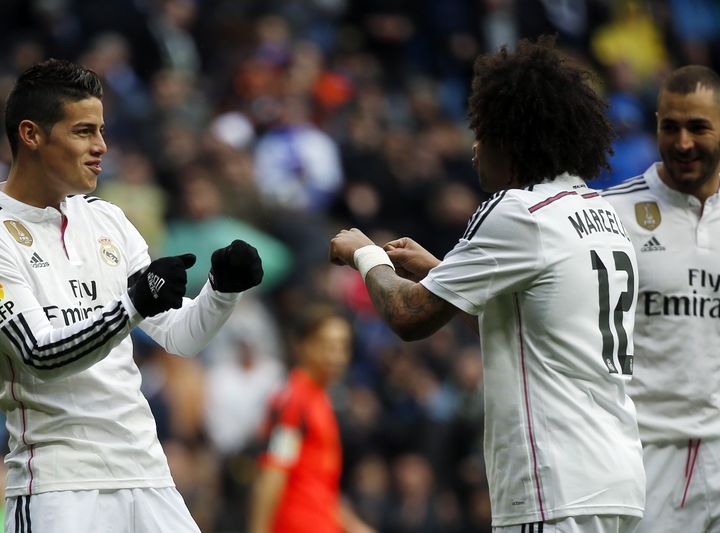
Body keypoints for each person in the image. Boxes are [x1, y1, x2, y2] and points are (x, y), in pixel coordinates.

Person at [329, 36, 645, 532]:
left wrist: (364, 253)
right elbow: (527, 326)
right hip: (618, 479)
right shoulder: (603, 215)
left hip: (552, 481)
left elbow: (408, 317)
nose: (474, 149)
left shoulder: (517, 211)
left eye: (482, 132)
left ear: (512, 139)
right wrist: (440, 272)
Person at [0, 59, 263, 533]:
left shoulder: (107, 219)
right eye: (83, 132)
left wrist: (221, 291)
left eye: (102, 131)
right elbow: (39, 353)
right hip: (58, 486)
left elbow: (178, 336)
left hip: (148, 474)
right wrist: (134, 304)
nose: (101, 147)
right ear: (31, 135)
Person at [602, 65, 720, 533]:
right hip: (651, 456)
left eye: (698, 127)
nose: (683, 142)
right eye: (670, 127)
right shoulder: (612, 216)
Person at [249, 305, 374, 533]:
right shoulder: (295, 401)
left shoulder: (320, 399)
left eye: (342, 347)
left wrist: (354, 526)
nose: (336, 356)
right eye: (326, 346)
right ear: (303, 346)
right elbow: (272, 472)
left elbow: (319, 487)